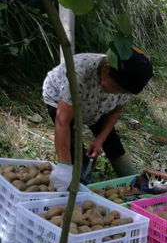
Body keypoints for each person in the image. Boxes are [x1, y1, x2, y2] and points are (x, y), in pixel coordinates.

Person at [43, 47, 153, 191]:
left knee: (113, 144)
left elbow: (115, 112)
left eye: (123, 92)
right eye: (116, 88)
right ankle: (75, 185)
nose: (119, 94)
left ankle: (134, 181)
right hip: (60, 99)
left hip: (97, 105)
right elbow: (62, 121)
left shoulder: (125, 81)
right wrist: (64, 165)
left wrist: (100, 140)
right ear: (106, 69)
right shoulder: (79, 74)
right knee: (74, 149)